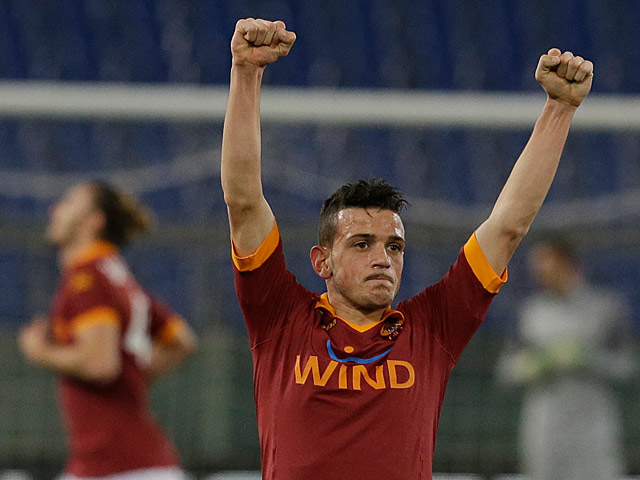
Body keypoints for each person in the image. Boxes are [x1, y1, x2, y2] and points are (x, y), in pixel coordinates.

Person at [221, 17, 594, 480]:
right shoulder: (279, 318)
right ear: (322, 262)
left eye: (394, 246)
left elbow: (507, 227)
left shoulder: (432, 328)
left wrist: (559, 109)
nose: (383, 258)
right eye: (361, 244)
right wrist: (246, 72)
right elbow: (242, 201)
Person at [18, 181, 197, 480]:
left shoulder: (87, 279)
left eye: (69, 202)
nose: (55, 209)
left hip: (116, 466)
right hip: (134, 462)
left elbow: (100, 364)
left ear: (93, 221)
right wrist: (134, 378)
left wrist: (40, 352)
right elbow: (182, 342)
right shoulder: (117, 275)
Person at [496, 237, 636, 480]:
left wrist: (586, 358)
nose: (539, 272)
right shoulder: (530, 313)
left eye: (545, 263)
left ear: (567, 263)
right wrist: (537, 365)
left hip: (595, 432)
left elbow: (628, 367)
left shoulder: (605, 309)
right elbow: (506, 371)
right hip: (543, 432)